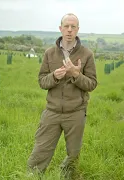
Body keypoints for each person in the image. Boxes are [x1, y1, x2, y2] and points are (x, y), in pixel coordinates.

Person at [27, 13, 98, 178]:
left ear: (78, 30)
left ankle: (65, 176)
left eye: (73, 27)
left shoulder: (87, 55)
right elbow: (42, 81)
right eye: (66, 26)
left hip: (76, 112)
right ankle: (32, 176)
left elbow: (92, 84)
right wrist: (54, 77)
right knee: (41, 150)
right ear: (60, 29)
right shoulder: (49, 53)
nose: (69, 30)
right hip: (52, 111)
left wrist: (76, 74)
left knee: (73, 154)